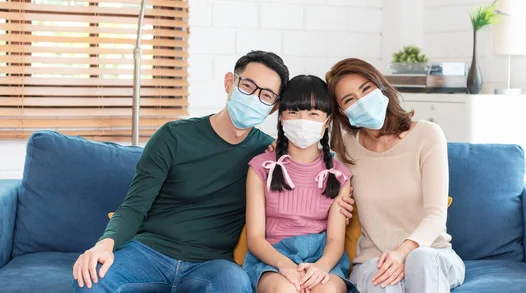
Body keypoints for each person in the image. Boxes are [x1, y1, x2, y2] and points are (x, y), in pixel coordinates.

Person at [71, 51, 355, 293]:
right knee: (92, 277)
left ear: (273, 109)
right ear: (230, 83)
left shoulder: (264, 155)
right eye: (248, 86)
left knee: (234, 283)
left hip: (210, 264)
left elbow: (308, 164)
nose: (255, 98)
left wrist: (340, 188)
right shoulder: (173, 136)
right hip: (149, 251)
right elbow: (134, 206)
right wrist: (105, 244)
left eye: (266, 95)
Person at [325, 58, 466, 293]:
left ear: (380, 86)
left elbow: (436, 215)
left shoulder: (427, 135)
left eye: (366, 89)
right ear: (342, 112)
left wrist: (403, 253)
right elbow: (312, 166)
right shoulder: (346, 149)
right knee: (377, 277)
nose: (362, 101)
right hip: (375, 261)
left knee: (420, 259)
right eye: (349, 99)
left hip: (433, 254)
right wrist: (277, 146)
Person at [244, 75, 358, 293]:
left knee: (328, 290)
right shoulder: (260, 167)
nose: (302, 119)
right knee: (285, 290)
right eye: (293, 112)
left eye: (313, 113)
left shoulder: (340, 174)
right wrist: (284, 265)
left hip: (322, 259)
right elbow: (255, 238)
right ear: (281, 118)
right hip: (273, 259)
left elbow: (335, 239)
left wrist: (322, 267)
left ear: (327, 121)